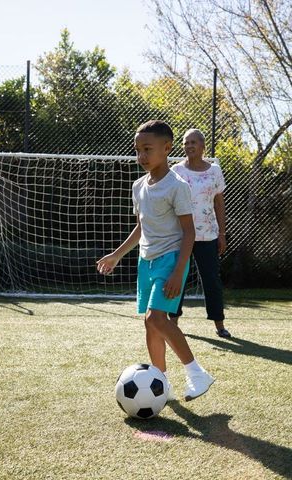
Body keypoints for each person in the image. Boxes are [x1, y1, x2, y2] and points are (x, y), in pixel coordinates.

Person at [97, 120, 215, 401]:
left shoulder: (177, 186)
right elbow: (142, 227)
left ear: (167, 148)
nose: (141, 156)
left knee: (157, 318)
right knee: (150, 323)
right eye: (138, 150)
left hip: (171, 259)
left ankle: (197, 373)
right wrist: (117, 254)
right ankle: (161, 384)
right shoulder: (139, 186)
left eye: (147, 149)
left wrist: (178, 272)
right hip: (145, 260)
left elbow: (189, 232)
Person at [169, 128, 231, 338]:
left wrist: (222, 234)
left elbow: (219, 203)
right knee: (178, 277)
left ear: (203, 146)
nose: (189, 146)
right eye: (186, 143)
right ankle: (173, 323)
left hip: (208, 235)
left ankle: (219, 325)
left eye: (193, 142)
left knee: (211, 280)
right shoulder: (177, 170)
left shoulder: (214, 171)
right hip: (181, 236)